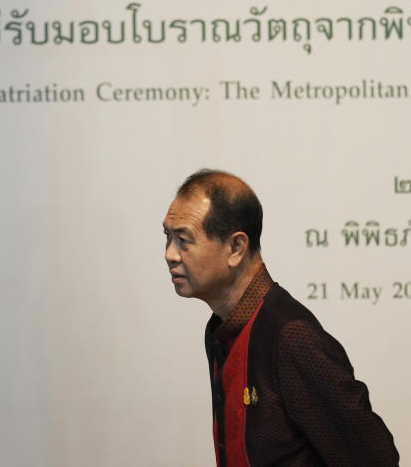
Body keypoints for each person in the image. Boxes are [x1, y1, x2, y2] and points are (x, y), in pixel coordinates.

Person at [162, 169, 398, 466]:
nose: (170, 254)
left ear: (236, 248)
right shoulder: (220, 329)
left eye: (184, 240)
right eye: (167, 237)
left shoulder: (290, 337)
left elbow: (374, 459)